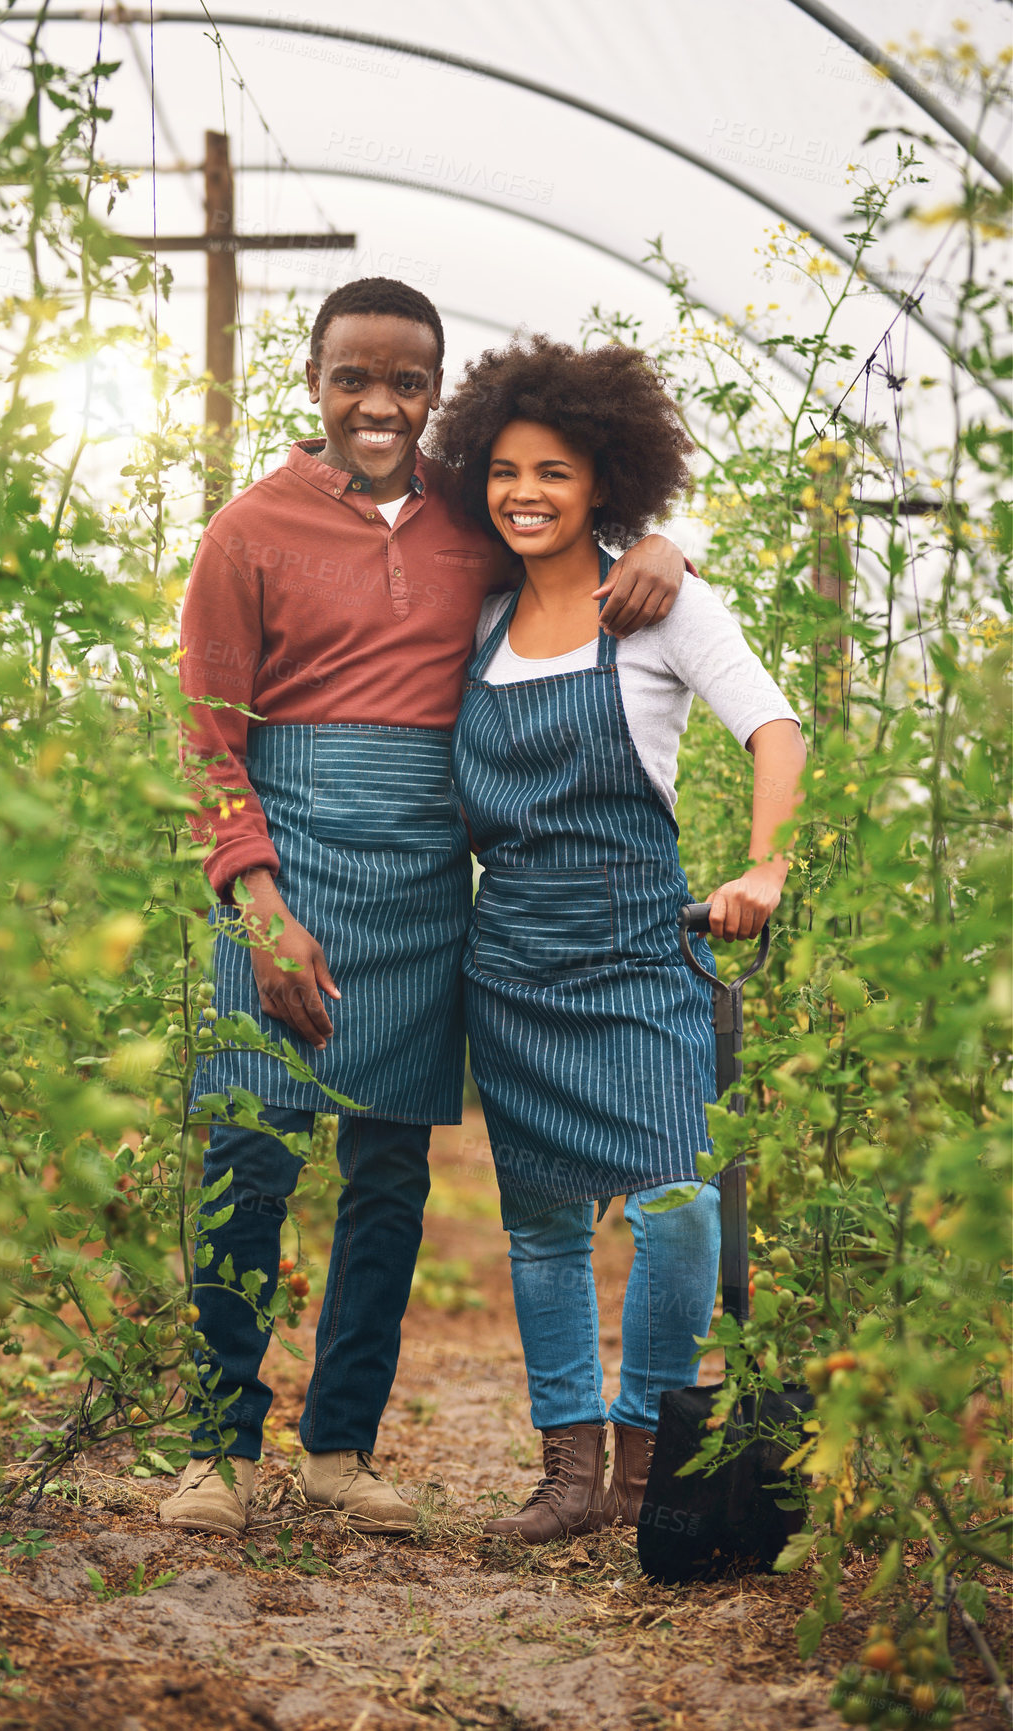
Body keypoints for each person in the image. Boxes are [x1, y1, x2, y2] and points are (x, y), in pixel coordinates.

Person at [159, 281, 694, 1541]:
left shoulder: (473, 520)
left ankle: (340, 1447)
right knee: (248, 1151)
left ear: (438, 393)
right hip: (284, 877)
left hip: (422, 888)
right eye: (355, 377)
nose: (381, 404)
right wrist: (257, 903)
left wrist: (668, 546)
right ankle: (216, 1452)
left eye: (407, 381)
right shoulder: (251, 531)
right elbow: (203, 741)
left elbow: (584, 543)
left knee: (388, 1173)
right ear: (314, 383)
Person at [431, 335, 805, 1542]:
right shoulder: (476, 622)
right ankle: (568, 1476)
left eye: (553, 470)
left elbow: (776, 731)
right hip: (513, 958)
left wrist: (767, 864)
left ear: (605, 482)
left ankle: (648, 1468)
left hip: (642, 951)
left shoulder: (656, 602)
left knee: (679, 1204)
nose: (524, 492)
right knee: (540, 1225)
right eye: (503, 471)